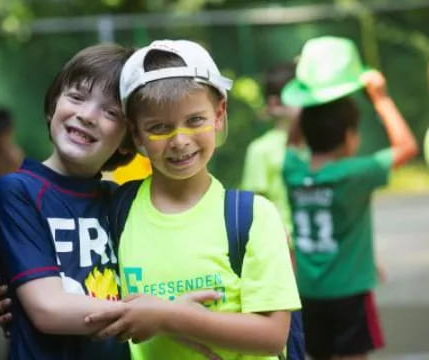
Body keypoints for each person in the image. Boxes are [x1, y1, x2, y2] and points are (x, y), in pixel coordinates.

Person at [0, 43, 222, 360]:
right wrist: (164, 317)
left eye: (111, 112)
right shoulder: (17, 191)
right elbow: (48, 308)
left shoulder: (123, 200)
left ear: (130, 140)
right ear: (53, 103)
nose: (87, 116)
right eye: (77, 97)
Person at [83, 39, 301, 360]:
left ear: (219, 114)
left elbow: (271, 335)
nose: (180, 141)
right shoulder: (115, 211)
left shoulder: (253, 216)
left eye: (195, 120)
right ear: (136, 133)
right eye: (159, 127)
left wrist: (169, 317)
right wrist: (16, 290)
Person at [281, 36, 418, 360]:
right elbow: (407, 147)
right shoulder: (354, 174)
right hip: (349, 294)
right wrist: (380, 97)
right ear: (348, 136)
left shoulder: (292, 169)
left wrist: (307, 97)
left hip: (308, 292)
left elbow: (291, 142)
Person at [240, 62, 302, 231]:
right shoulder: (260, 150)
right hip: (284, 244)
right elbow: (254, 207)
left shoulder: (319, 141)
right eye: (298, 93)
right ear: (274, 103)